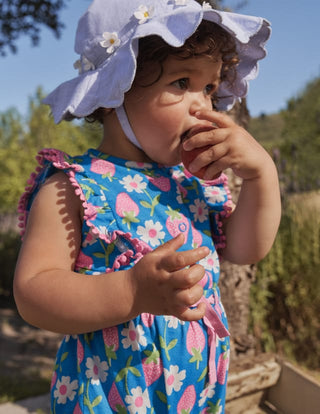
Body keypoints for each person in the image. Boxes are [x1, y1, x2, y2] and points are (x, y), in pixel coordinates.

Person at [14, 0, 281, 412]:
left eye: (209, 88)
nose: (203, 106)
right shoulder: (75, 186)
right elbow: (33, 292)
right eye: (181, 82)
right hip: (113, 397)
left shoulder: (191, 185)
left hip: (196, 394)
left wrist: (262, 174)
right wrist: (129, 290)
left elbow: (247, 250)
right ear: (114, 91)